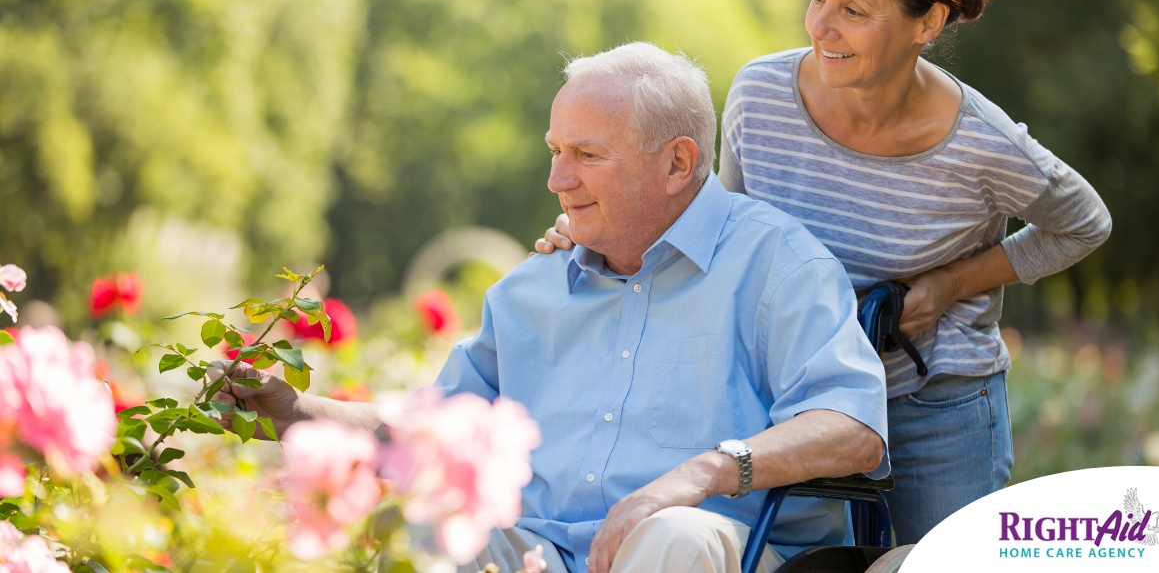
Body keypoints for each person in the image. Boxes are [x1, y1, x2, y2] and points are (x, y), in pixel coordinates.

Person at [218, 42, 890, 573]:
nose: (556, 179)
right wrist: (297, 410)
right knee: (420, 529)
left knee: (671, 536)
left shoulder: (776, 263)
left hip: (722, 551)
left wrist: (699, 474)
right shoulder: (529, 290)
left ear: (678, 164)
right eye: (555, 152)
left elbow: (852, 426)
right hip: (541, 553)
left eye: (586, 155)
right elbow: (435, 427)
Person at [536, 0, 1112, 546]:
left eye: (854, 10)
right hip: (791, 401)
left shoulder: (981, 144)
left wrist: (950, 285)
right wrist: (594, 232)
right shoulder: (760, 97)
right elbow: (719, 230)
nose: (821, 26)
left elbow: (1083, 224)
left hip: (930, 398)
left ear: (929, 21)